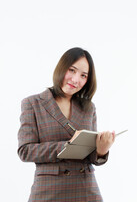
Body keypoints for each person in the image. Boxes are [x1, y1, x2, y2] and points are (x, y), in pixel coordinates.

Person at [17, 47, 115, 202]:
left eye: (83, 75)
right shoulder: (33, 103)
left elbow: (90, 155)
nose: (76, 80)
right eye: (72, 70)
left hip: (86, 190)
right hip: (49, 190)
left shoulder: (89, 108)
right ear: (61, 68)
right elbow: (25, 151)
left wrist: (101, 151)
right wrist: (68, 146)